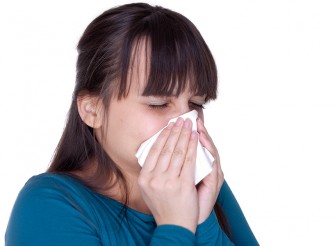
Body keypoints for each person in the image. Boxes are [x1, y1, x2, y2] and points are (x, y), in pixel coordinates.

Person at [5, 3, 258, 245]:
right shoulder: (47, 206)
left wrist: (204, 222)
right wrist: (176, 225)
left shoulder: (207, 188)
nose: (187, 124)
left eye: (196, 104)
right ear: (92, 110)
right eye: (158, 103)